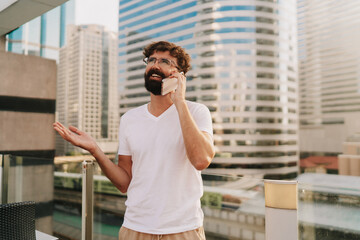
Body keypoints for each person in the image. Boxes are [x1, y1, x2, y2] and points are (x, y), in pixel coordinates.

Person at [53, 41, 215, 240]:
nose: (155, 65)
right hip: (135, 229)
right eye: (152, 60)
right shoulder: (129, 119)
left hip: (183, 230)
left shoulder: (197, 112)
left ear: (180, 74)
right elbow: (124, 183)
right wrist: (95, 150)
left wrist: (179, 102)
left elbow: (201, 160)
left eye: (165, 61)